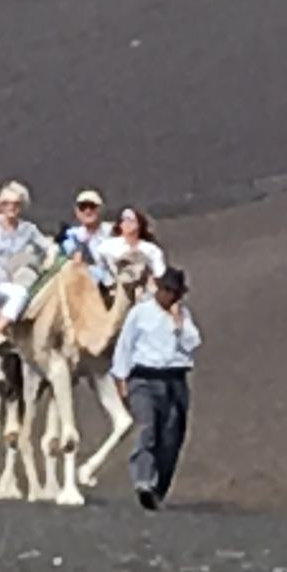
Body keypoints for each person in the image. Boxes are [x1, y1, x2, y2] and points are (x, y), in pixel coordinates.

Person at [110, 266, 200, 510]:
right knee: (147, 429)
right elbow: (125, 346)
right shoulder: (140, 313)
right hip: (144, 378)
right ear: (158, 289)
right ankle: (143, 481)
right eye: (167, 290)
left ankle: (158, 488)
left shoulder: (183, 316)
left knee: (171, 436)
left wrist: (178, 323)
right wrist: (120, 380)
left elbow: (192, 344)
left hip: (175, 380)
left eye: (176, 292)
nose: (171, 296)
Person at [0, 181, 51, 350]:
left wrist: (50, 256)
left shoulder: (28, 229)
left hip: (6, 280)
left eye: (16, 204)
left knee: (21, 293)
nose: (11, 207)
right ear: (0, 205)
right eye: (6, 203)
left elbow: (47, 245)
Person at [95, 206, 166, 285]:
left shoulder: (151, 249)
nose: (127, 222)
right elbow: (99, 267)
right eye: (123, 220)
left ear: (139, 223)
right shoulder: (107, 246)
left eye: (130, 219)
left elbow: (160, 273)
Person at [59, 188, 110, 285]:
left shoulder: (112, 232)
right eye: (83, 207)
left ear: (101, 209)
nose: (88, 211)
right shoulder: (72, 235)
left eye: (92, 206)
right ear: (77, 212)